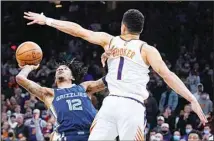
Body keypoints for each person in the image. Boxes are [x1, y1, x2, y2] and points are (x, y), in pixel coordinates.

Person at [24, 9, 207, 140]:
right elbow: (168, 76)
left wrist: (47, 20)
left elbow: (78, 30)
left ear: (122, 27)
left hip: (110, 105)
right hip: (132, 107)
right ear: (140, 30)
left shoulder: (110, 41)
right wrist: (191, 99)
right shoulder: (147, 49)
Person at [15, 63, 106, 141]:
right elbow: (20, 78)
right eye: (58, 69)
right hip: (68, 135)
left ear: (72, 77)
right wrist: (29, 67)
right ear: (55, 78)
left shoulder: (84, 87)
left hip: (93, 133)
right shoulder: (50, 93)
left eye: (65, 68)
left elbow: (108, 80)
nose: (61, 69)